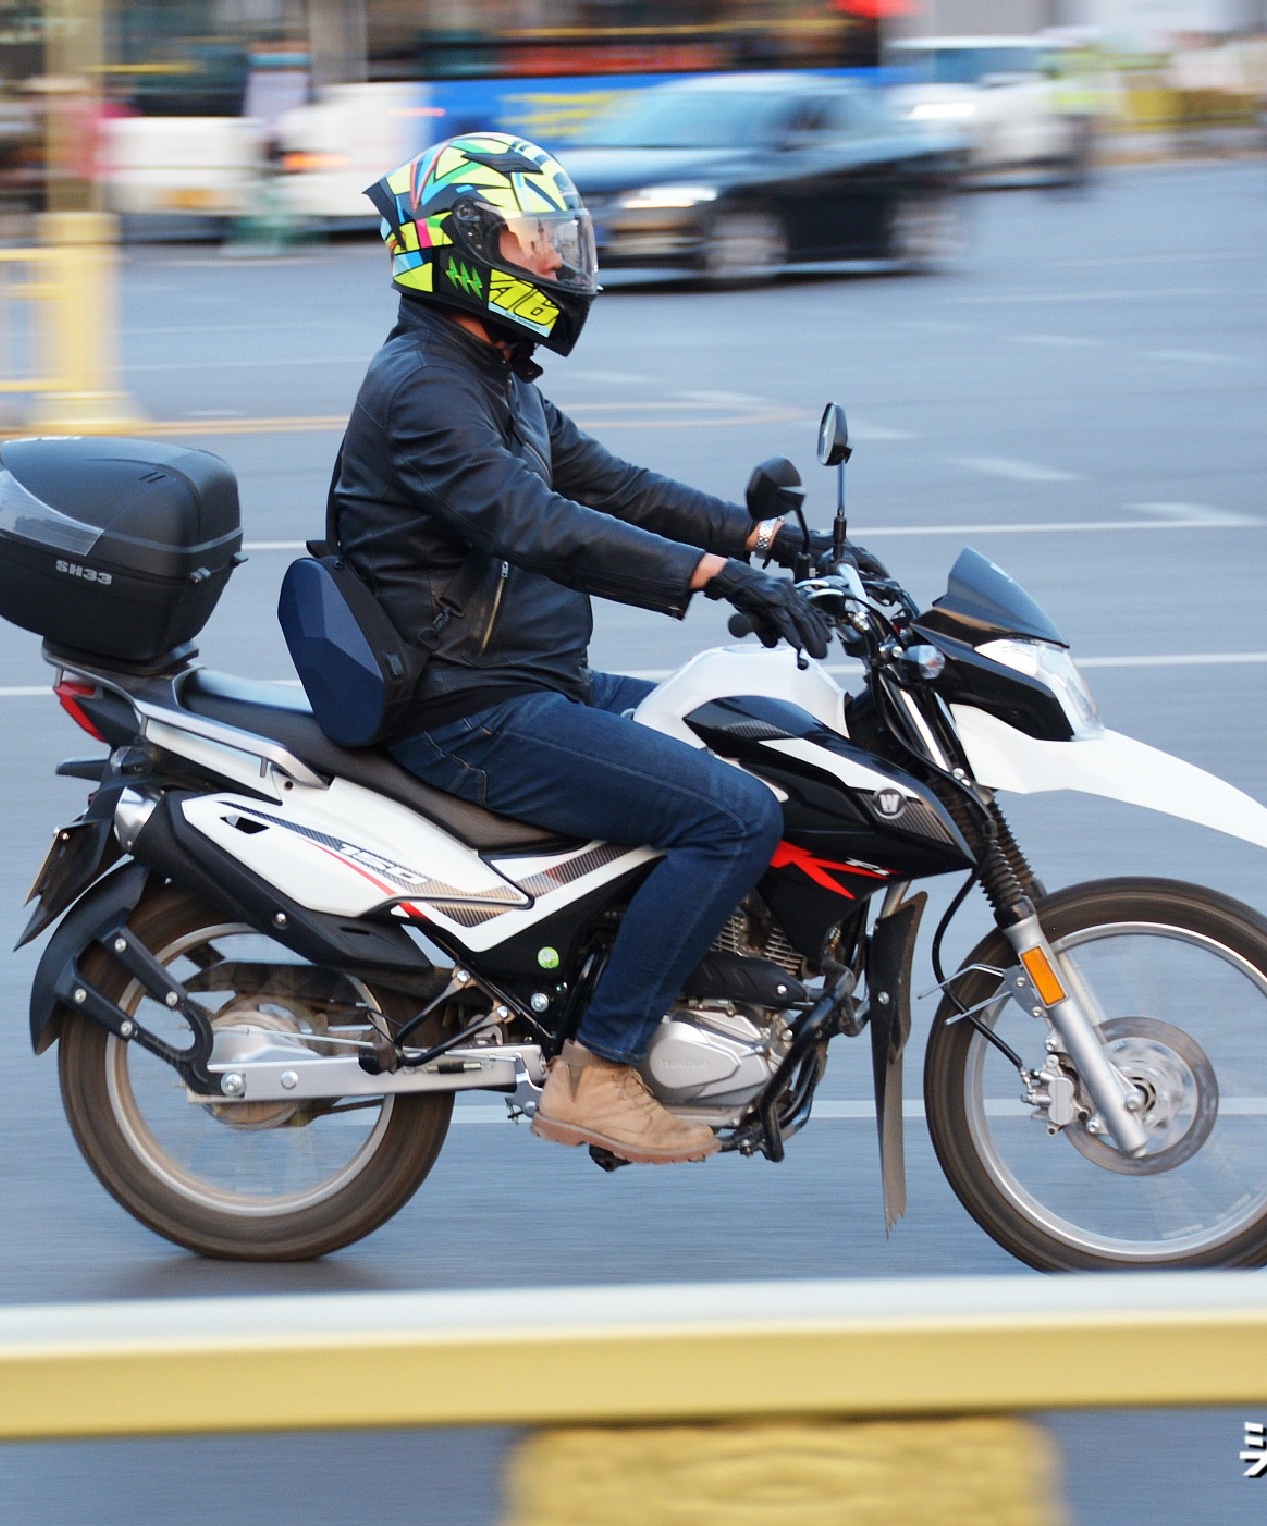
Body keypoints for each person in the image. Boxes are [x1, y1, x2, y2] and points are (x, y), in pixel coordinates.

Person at [330, 132, 832, 1165]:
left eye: (560, 242)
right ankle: (600, 1069)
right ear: (469, 248)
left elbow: (610, 484)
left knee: (751, 737)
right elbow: (535, 520)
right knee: (736, 813)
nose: (558, 263)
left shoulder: (493, 369)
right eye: (536, 241)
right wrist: (709, 578)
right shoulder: (425, 385)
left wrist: (758, 537)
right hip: (468, 708)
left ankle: (693, 988)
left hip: (528, 675)